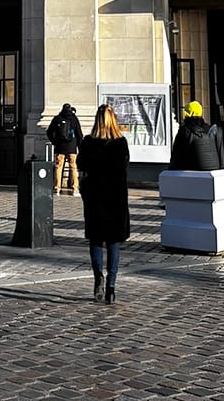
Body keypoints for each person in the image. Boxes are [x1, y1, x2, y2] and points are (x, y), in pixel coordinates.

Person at [77, 104, 130, 304]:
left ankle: (98, 276)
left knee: (96, 240)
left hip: (95, 197)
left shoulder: (88, 142)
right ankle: (111, 287)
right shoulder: (120, 143)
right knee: (114, 242)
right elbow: (124, 168)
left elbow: (81, 165)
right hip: (115, 197)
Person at [168, 101, 224, 171]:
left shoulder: (185, 131)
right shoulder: (214, 130)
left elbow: (176, 156)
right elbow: (221, 157)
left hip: (192, 172)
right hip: (214, 171)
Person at [47, 102, 84, 196]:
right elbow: (79, 134)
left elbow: (49, 132)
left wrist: (54, 142)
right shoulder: (74, 119)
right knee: (73, 167)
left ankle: (56, 189)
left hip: (60, 147)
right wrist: (79, 146)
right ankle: (75, 189)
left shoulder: (57, 118)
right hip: (72, 147)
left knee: (58, 167)